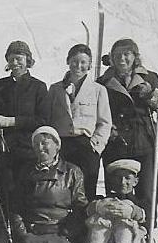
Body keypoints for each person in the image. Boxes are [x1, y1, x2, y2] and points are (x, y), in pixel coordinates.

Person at [0, 40, 49, 219]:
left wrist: (11, 121)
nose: (15, 62)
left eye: (19, 58)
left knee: (25, 195)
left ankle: (23, 239)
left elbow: (43, 120)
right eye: (12, 58)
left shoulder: (38, 87)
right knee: (2, 194)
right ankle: (1, 237)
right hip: (2, 150)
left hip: (29, 150)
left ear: (28, 60)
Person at [7, 127, 87, 243]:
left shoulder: (72, 172)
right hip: (32, 233)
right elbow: (16, 207)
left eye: (45, 143)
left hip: (59, 232)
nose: (40, 148)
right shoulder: (25, 172)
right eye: (36, 144)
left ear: (57, 146)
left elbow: (80, 206)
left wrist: (68, 232)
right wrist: (22, 232)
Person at [97, 38, 158, 218]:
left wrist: (150, 94)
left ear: (135, 57)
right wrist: (106, 127)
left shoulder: (148, 78)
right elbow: (96, 110)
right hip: (116, 143)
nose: (122, 59)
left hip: (145, 140)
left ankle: (145, 231)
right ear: (111, 58)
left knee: (149, 188)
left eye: (126, 54)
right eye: (117, 55)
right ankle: (116, 232)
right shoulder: (103, 82)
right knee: (118, 190)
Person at [48, 43, 112, 201]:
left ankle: (83, 224)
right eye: (75, 61)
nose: (78, 66)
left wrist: (96, 145)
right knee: (61, 188)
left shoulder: (98, 90)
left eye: (83, 62)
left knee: (85, 191)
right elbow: (48, 118)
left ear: (90, 65)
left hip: (86, 147)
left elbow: (105, 122)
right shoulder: (55, 89)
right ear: (68, 61)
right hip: (62, 146)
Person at [79, 159, 147, 243]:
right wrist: (98, 206)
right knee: (100, 220)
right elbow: (87, 210)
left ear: (135, 182)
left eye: (127, 178)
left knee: (124, 220)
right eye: (118, 178)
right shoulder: (104, 199)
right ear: (111, 180)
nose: (122, 182)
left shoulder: (138, 202)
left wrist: (133, 211)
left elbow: (146, 217)